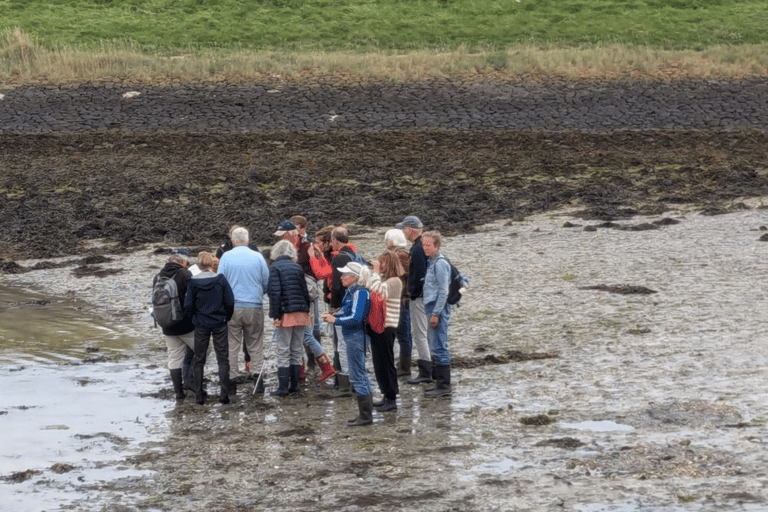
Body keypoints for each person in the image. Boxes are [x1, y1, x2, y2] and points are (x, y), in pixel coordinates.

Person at [217, 227, 270, 394]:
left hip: (232, 307)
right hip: (254, 305)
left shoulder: (225, 257)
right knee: (255, 344)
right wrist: (258, 294)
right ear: (248, 241)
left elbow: (220, 281)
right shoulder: (258, 257)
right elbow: (266, 281)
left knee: (232, 345)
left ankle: (231, 380)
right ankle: (257, 378)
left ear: (233, 241)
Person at [321, 262, 373, 426]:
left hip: (356, 336)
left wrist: (335, 320)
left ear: (355, 278)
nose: (341, 277)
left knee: (358, 374)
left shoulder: (360, 292)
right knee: (358, 373)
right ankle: (364, 414)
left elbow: (357, 318)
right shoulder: (355, 291)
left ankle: (366, 416)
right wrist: (335, 316)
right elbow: (352, 314)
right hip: (353, 335)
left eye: (345, 275)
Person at [184, 251, 235, 405]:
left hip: (201, 324)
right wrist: (227, 317)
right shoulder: (220, 279)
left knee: (199, 359)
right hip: (219, 322)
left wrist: (194, 318)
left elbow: (188, 305)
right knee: (223, 359)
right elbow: (230, 302)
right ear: (212, 264)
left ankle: (199, 395)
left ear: (199, 264)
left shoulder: (193, 282)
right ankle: (224, 394)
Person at [267, 240, 312, 396]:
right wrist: (307, 309)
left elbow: (274, 293)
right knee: (296, 349)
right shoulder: (297, 267)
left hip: (286, 312)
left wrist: (275, 315)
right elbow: (305, 291)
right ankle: (294, 385)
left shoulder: (275, 268)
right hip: (301, 311)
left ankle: (283, 388)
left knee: (283, 350)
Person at [364, 251, 405, 411]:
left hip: (387, 326)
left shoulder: (395, 282)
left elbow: (378, 290)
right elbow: (372, 287)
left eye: (381, 263)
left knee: (386, 362)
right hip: (379, 325)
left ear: (387, 264)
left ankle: (392, 398)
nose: (379, 266)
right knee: (378, 362)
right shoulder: (386, 280)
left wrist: (374, 272)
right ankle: (386, 395)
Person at [153, 252, 196, 400]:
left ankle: (179, 393)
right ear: (181, 262)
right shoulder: (185, 275)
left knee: (174, 357)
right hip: (186, 325)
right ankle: (191, 385)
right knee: (203, 350)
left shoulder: (157, 277)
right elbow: (192, 298)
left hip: (166, 325)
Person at [397, 215, 432, 385]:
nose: (402, 231)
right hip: (425, 296)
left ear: (411, 229)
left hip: (420, 297)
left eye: (404, 228)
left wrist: (411, 293)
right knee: (424, 333)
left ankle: (426, 371)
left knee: (420, 335)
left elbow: (419, 275)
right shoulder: (420, 246)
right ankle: (430, 368)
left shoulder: (417, 249)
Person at [327, 226, 360, 391]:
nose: (330, 243)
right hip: (356, 301)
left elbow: (337, 285)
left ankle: (344, 382)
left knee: (341, 344)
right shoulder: (355, 254)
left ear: (336, 240)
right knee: (354, 342)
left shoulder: (339, 258)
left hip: (342, 304)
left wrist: (333, 305)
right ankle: (355, 379)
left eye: (331, 240)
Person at [421, 231, 453, 397]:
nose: (425, 248)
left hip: (437, 308)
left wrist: (436, 313)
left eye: (429, 245)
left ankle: (444, 386)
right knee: (435, 344)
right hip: (431, 306)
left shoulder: (440, 264)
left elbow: (443, 291)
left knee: (439, 345)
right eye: (424, 244)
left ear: (437, 246)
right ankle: (439, 384)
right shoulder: (431, 262)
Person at [384, 228, 412, 377]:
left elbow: (400, 277)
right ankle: (403, 363)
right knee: (402, 332)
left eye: (388, 239)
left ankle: (405, 366)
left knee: (403, 333)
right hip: (400, 298)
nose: (386, 242)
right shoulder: (400, 254)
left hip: (401, 299)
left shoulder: (400, 255)